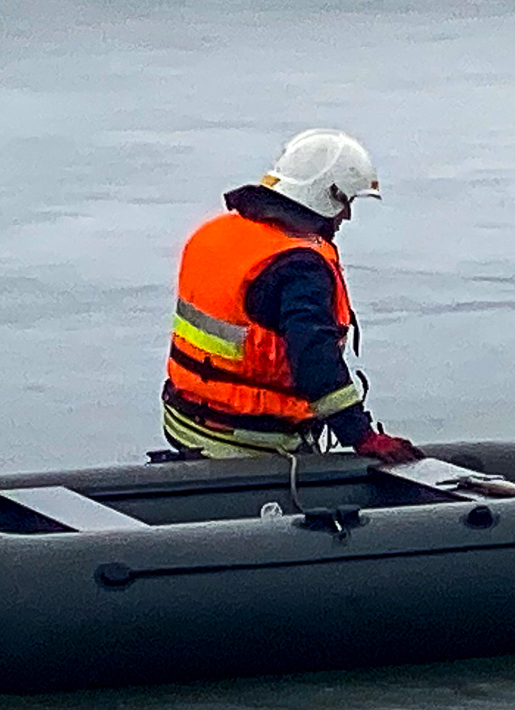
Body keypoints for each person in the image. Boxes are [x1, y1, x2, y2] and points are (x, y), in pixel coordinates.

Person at [161, 128, 423, 463]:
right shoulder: (299, 268)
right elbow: (314, 360)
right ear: (326, 195)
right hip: (251, 439)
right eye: (346, 203)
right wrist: (362, 436)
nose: (346, 216)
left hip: (184, 421)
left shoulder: (215, 234)